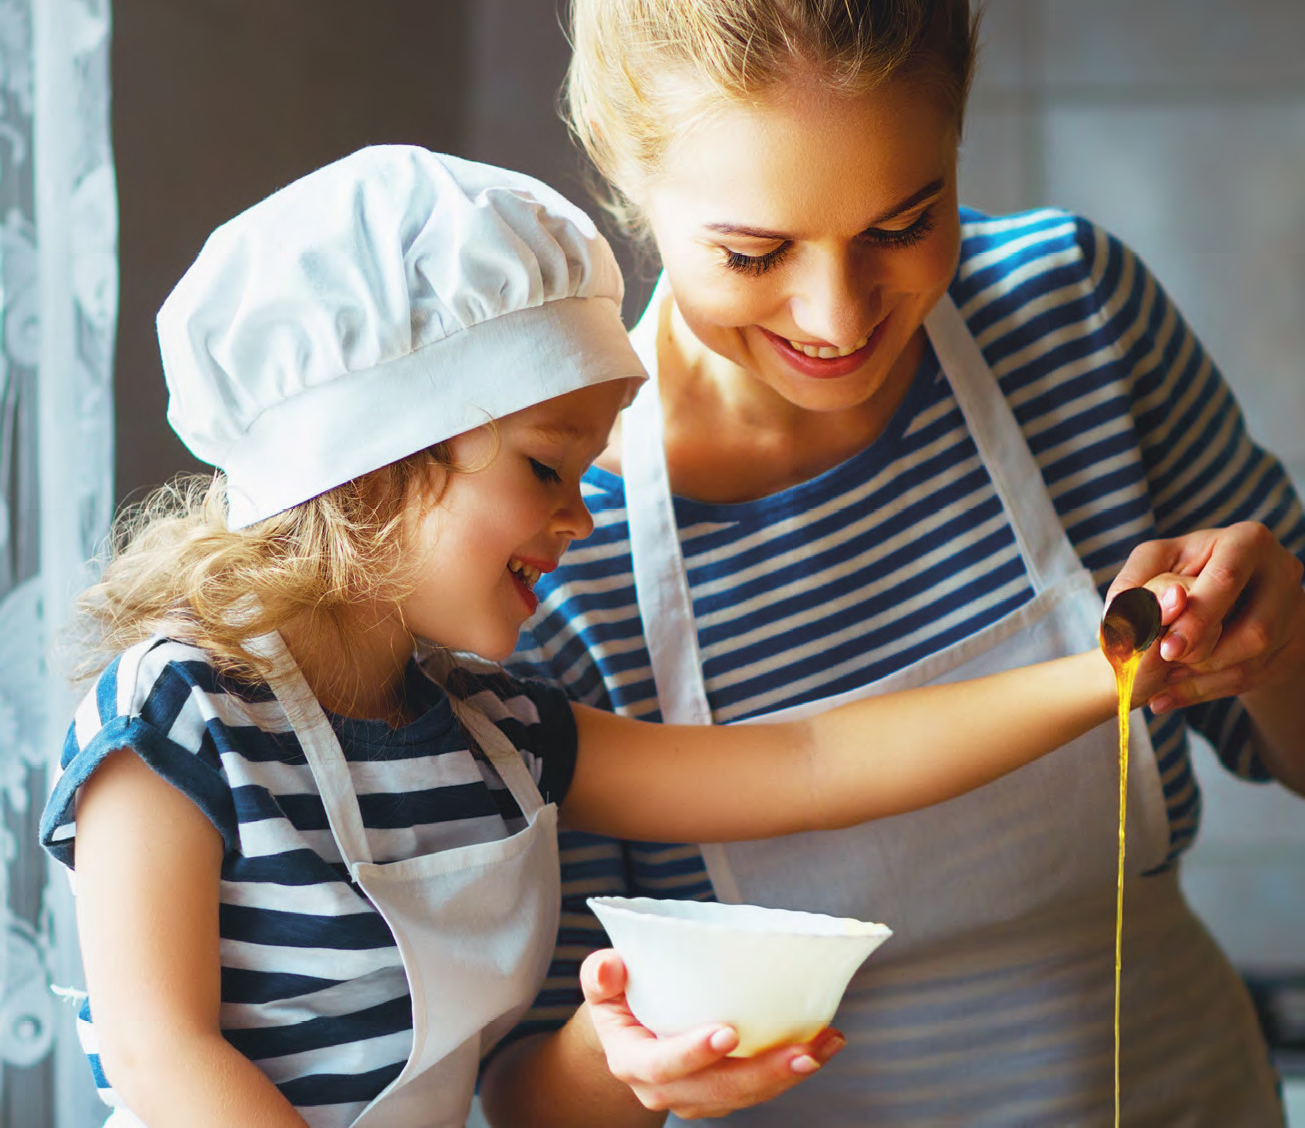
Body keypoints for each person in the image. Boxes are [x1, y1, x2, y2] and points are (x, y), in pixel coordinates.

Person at [38, 145, 1180, 1128]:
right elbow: (159, 1054)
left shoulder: (497, 732)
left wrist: (1111, 672)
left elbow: (813, 762)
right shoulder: (178, 717)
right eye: (547, 466)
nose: (580, 517)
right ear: (375, 461)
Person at [481, 0, 1305, 1125]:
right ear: (626, 179)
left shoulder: (1077, 320)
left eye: (903, 224)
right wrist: (625, 1063)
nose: (838, 316)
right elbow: (523, 1097)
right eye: (753, 253)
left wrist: (1278, 639)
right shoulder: (555, 543)